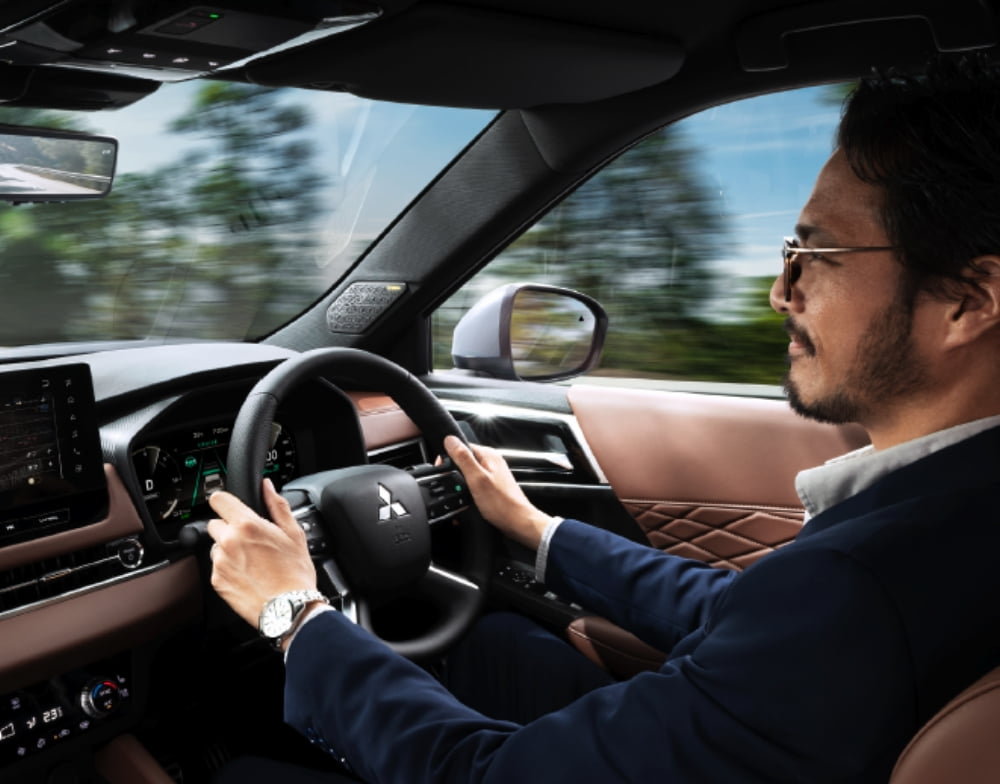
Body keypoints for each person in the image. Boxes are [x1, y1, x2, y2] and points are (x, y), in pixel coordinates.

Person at [205, 55, 1000, 782]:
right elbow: (740, 613)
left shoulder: (860, 587)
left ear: (968, 301)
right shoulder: (946, 519)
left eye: (816, 255)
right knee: (495, 645)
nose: (779, 292)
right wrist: (534, 528)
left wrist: (294, 612)